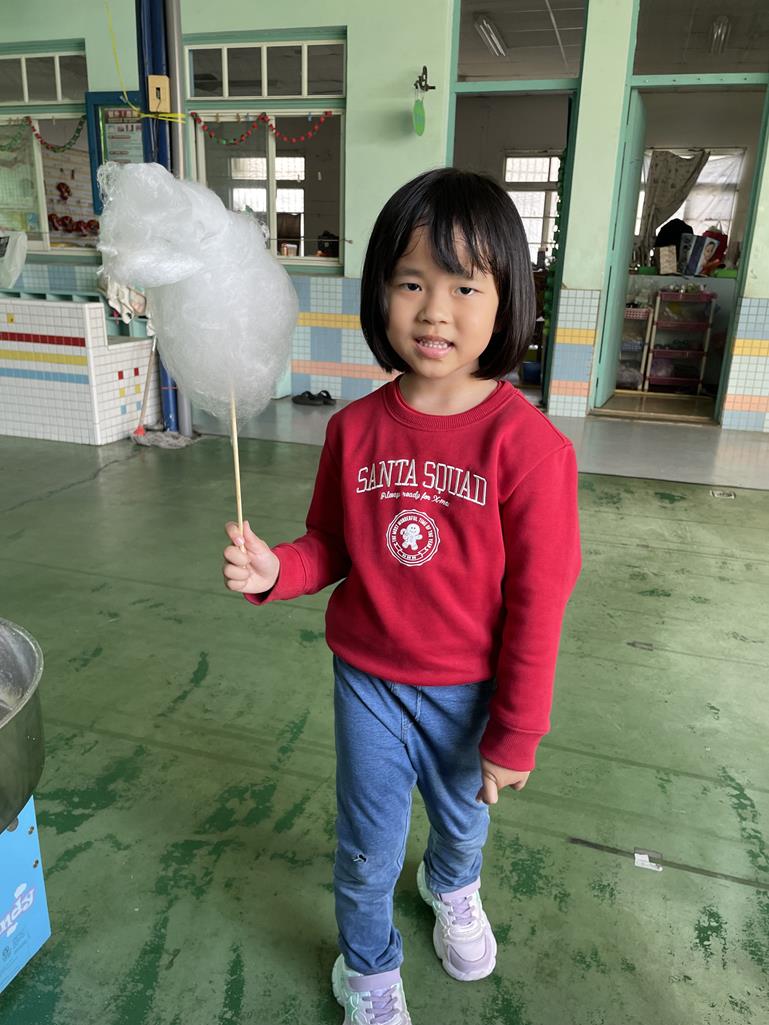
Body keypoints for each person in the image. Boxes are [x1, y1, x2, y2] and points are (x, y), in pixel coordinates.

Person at [222, 168, 581, 1025]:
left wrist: (516, 731)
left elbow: (540, 602)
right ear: (380, 291)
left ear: (508, 301)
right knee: (366, 848)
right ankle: (368, 968)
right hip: (369, 683)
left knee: (461, 823)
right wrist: (278, 570)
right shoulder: (351, 429)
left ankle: (451, 883)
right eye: (411, 283)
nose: (434, 312)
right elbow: (331, 544)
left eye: (465, 287)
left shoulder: (531, 449)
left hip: (471, 691)